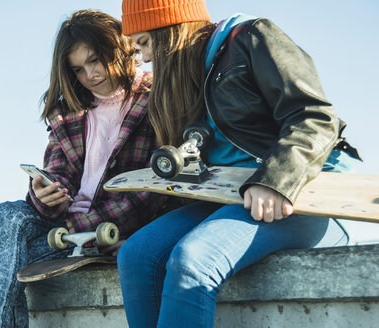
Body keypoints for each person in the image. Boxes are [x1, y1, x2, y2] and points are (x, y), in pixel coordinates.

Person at [116, 0, 362, 327]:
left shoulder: (251, 37)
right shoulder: (185, 78)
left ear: (169, 30)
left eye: (145, 42)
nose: (144, 57)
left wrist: (275, 181)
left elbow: (314, 117)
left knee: (193, 260)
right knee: (136, 255)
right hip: (226, 194)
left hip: (297, 191)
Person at [0, 9, 178, 328]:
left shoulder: (156, 96)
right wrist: (44, 195)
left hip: (108, 229)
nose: (91, 74)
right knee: (6, 214)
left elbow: (150, 190)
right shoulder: (68, 110)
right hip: (65, 229)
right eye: (79, 69)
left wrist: (77, 224)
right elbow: (59, 175)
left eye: (95, 60)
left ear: (120, 47)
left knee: (8, 262)